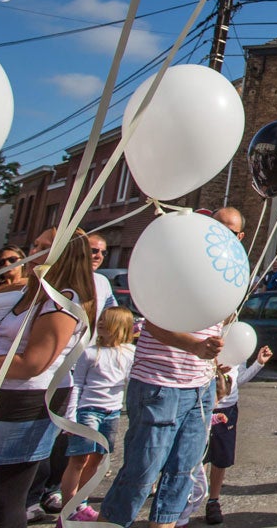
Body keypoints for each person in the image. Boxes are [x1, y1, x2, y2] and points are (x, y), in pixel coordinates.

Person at [97, 209, 239, 528]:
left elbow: (214, 334)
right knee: (140, 476)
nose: (224, 235)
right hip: (158, 385)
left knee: (182, 478)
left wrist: (215, 365)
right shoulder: (181, 265)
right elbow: (153, 321)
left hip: (199, 389)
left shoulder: (229, 276)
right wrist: (195, 347)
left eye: (232, 232)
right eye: (218, 227)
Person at [0, 229, 96, 528]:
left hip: (23, 402)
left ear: (66, 254)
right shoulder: (31, 291)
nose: (35, 250)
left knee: (1, 496)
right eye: (35, 243)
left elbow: (33, 363)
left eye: (46, 246)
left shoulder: (64, 300)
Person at [59, 305, 136, 521]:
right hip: (87, 411)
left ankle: (80, 502)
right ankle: (67, 511)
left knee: (96, 460)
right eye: (100, 319)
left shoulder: (130, 353)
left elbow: (132, 382)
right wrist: (71, 415)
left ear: (120, 326)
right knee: (78, 459)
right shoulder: (90, 352)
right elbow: (77, 385)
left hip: (111, 413)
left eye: (107, 319)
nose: (100, 322)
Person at [198, 344, 273, 525]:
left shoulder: (237, 339)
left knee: (220, 457)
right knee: (198, 457)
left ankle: (213, 501)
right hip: (201, 404)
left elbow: (238, 380)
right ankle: (191, 496)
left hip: (228, 408)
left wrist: (258, 364)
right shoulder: (206, 336)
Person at [0, 245, 28, 334]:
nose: (7, 264)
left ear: (22, 261)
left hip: (6, 335)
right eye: (2, 262)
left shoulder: (30, 284)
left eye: (12, 260)